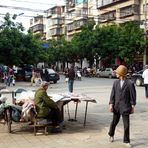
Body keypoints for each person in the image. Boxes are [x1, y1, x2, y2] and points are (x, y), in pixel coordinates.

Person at [108, 65, 136, 148]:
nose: (116, 74)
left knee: (126, 125)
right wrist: (111, 104)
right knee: (114, 122)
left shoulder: (130, 83)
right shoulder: (115, 82)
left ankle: (126, 141)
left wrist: (133, 106)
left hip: (126, 106)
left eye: (117, 72)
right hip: (116, 106)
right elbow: (112, 94)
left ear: (121, 73)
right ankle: (111, 134)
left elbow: (133, 95)